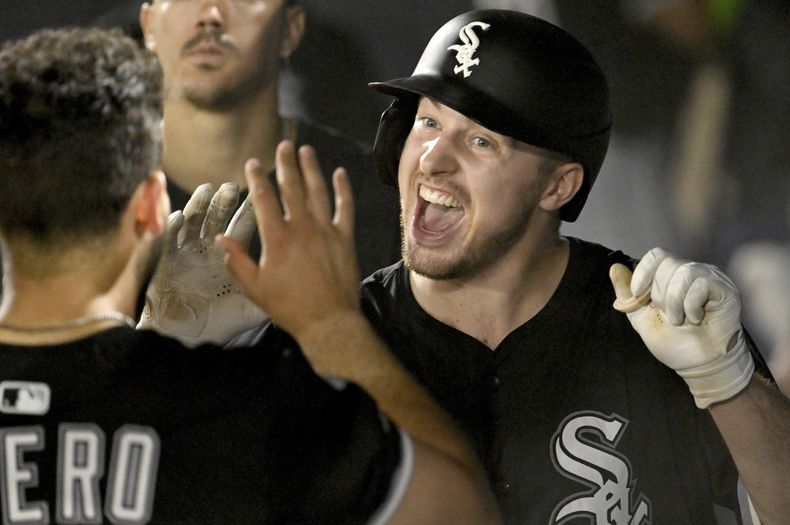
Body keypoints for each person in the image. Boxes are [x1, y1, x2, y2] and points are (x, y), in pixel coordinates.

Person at [0, 27, 500, 524]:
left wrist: (156, 337)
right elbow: (459, 509)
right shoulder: (253, 411)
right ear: (151, 208)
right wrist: (330, 326)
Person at [138, 0, 401, 278]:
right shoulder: (90, 191)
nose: (211, 16)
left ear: (290, 29)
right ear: (149, 24)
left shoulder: (379, 205)